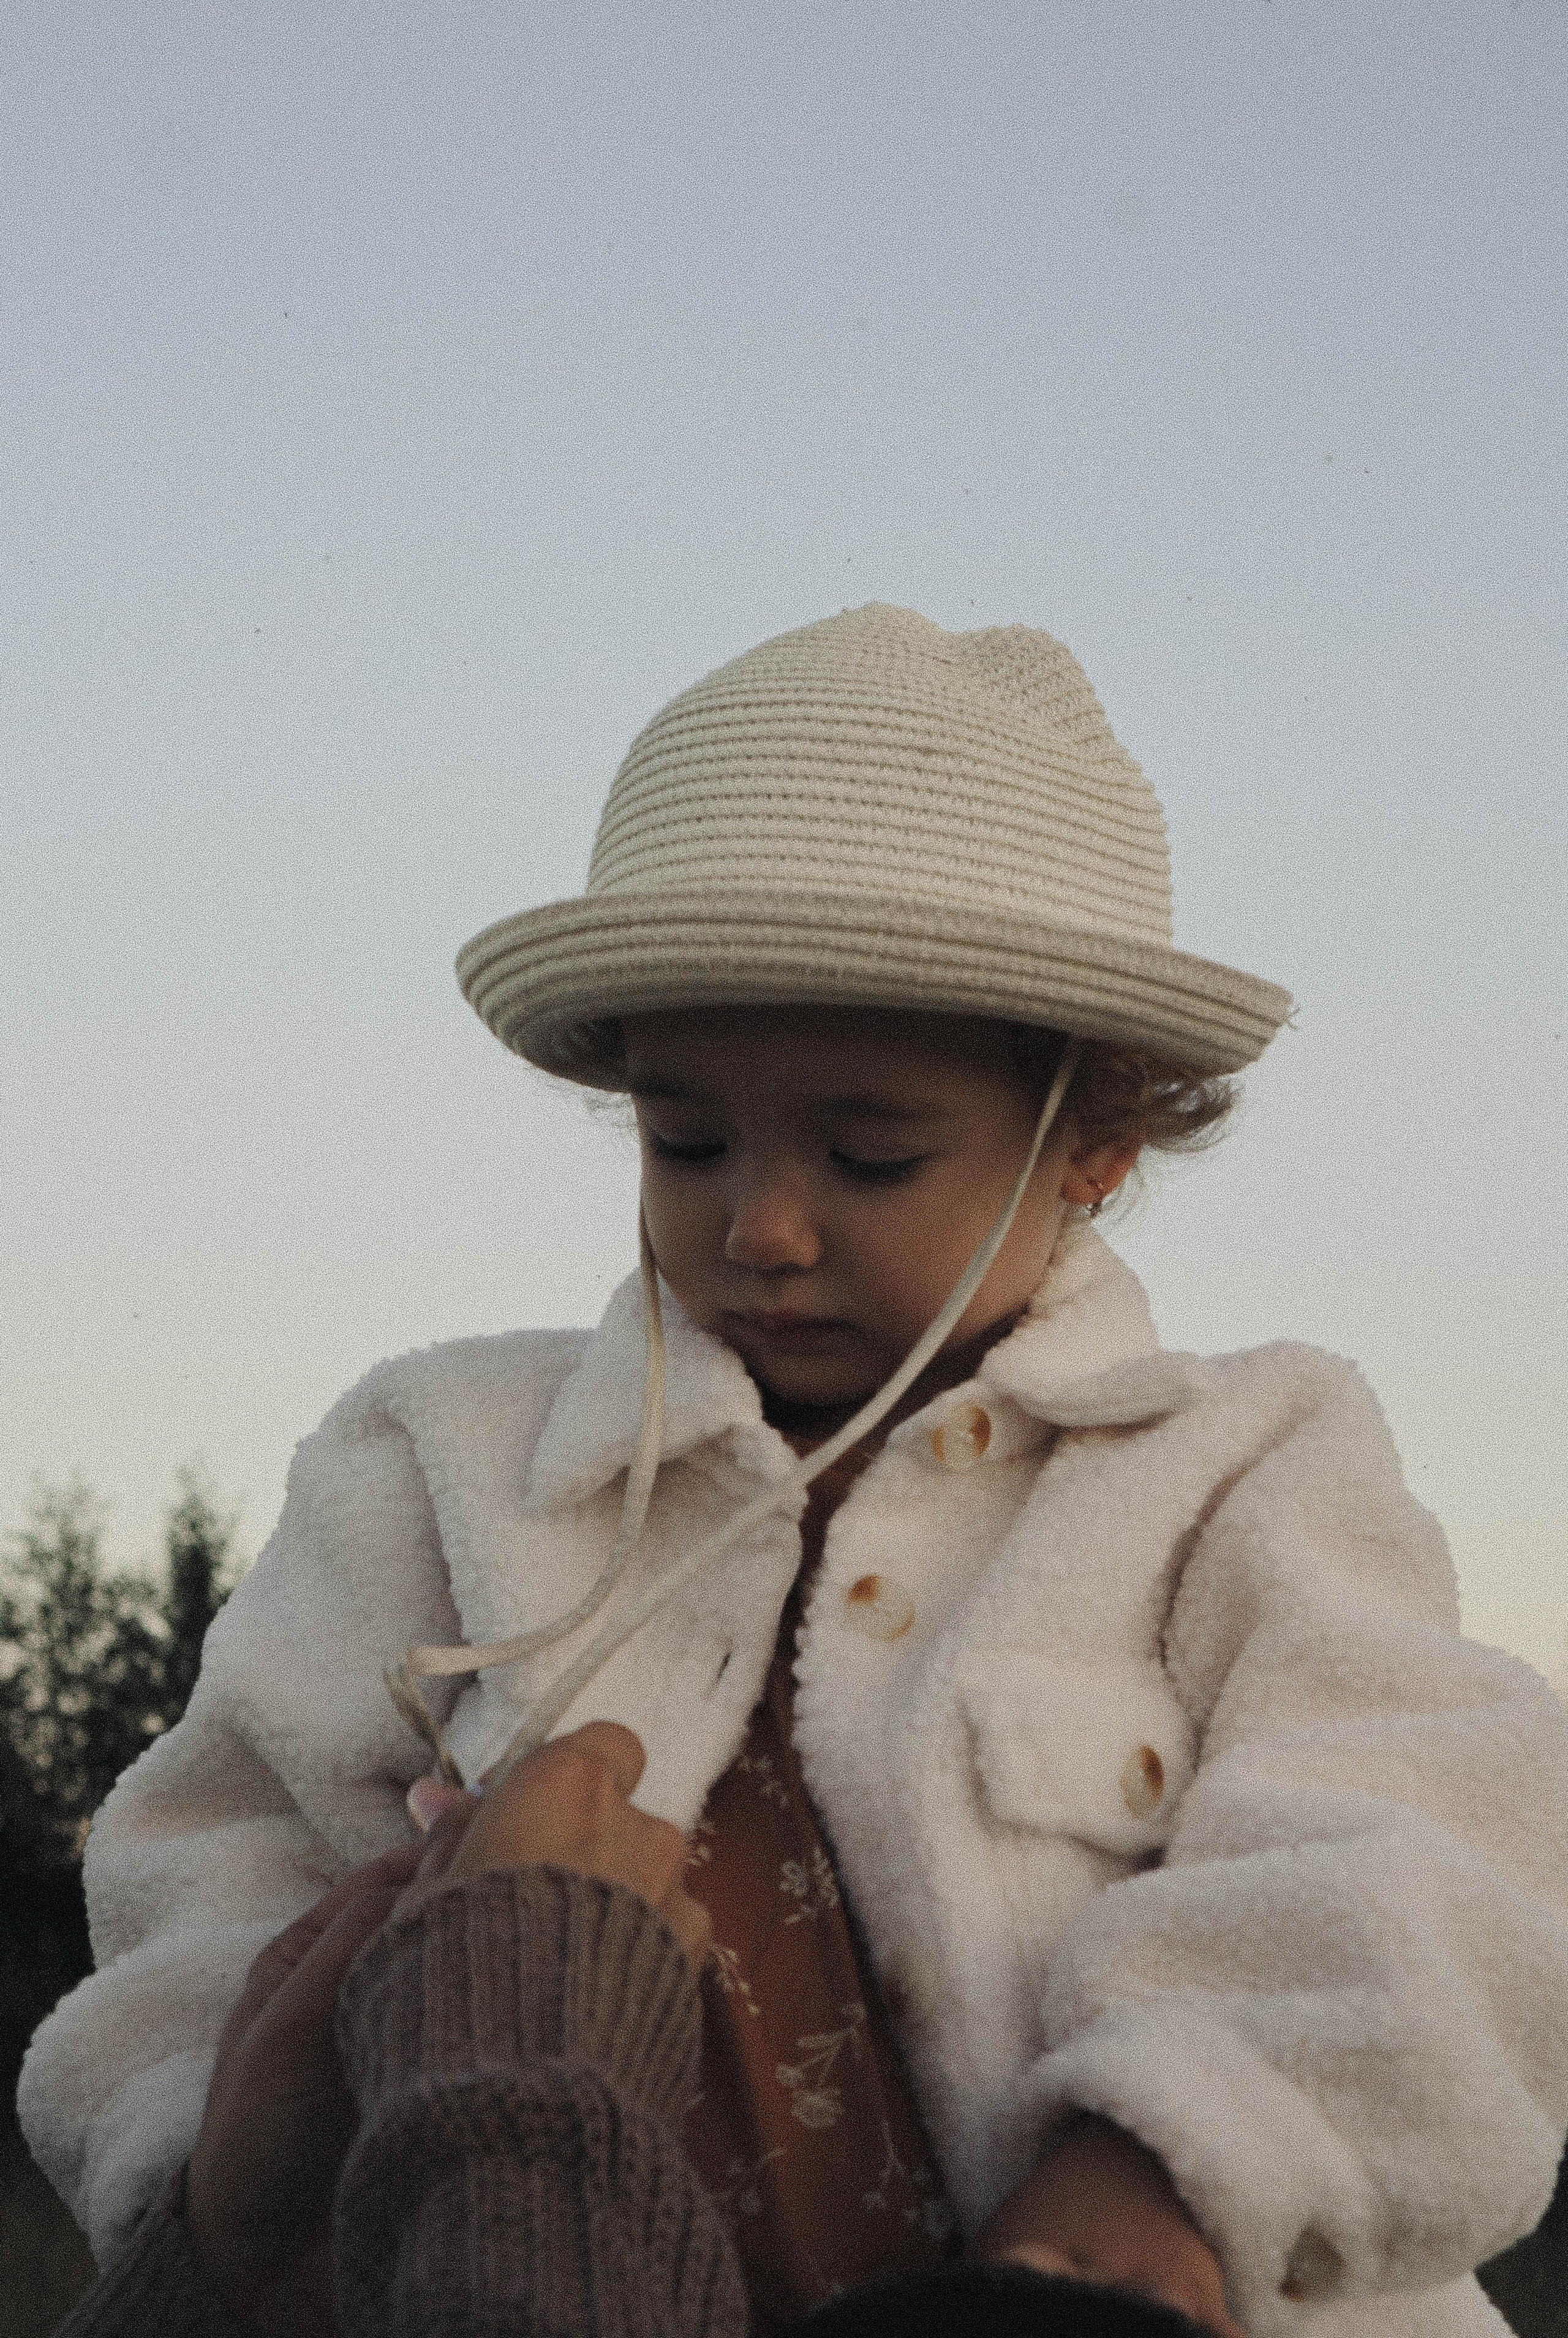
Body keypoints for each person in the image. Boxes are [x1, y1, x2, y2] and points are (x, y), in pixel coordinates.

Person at [20, 605, 1568, 2337]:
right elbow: (209, 1874)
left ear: (1097, 1138)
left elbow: (1420, 1836)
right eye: (686, 1139)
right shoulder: (438, 1459)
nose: (758, 1224)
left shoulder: (1243, 1464)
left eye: (870, 1152)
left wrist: (1181, 2155)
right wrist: (218, 2193)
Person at [54, 1719, 1207, 2338]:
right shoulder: (433, 1446)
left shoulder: (1237, 1455)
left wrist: (1158, 2128)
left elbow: (1318, 1834)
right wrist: (221, 2253)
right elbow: (218, 1838)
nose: (766, 1256)